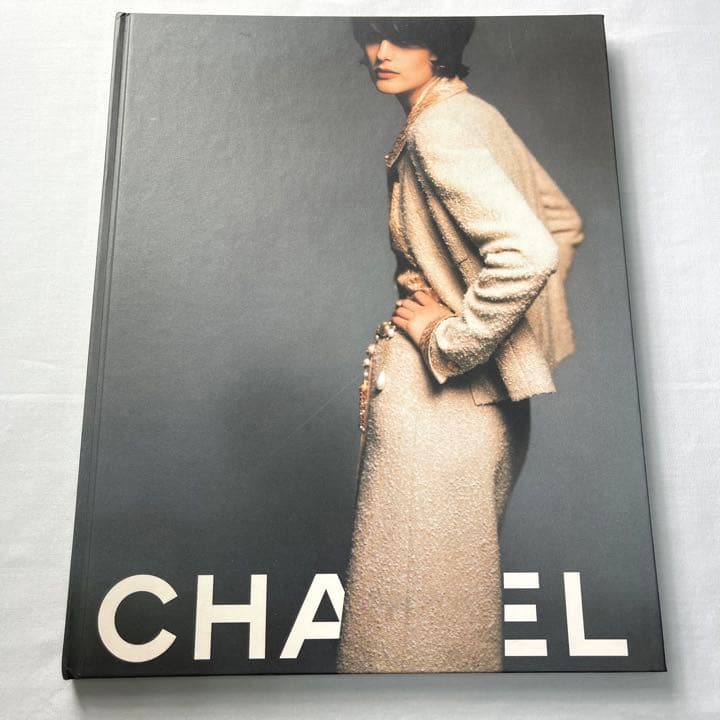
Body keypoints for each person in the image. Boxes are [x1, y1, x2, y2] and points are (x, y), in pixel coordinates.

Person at [336, 17, 585, 673]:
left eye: (403, 35)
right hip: (486, 413)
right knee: (446, 628)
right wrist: (512, 352)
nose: (382, 52)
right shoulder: (475, 113)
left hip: (438, 408)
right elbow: (563, 225)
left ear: (441, 43)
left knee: (401, 643)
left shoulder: (437, 129)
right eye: (372, 35)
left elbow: (530, 250)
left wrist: (453, 336)